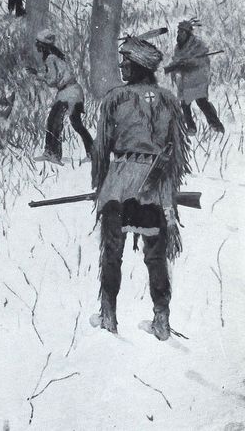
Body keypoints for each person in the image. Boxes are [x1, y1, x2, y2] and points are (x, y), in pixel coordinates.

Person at [91, 36, 190, 341]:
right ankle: (161, 319)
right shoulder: (169, 101)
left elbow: (100, 151)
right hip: (155, 189)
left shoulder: (114, 100)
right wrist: (165, 191)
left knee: (112, 253)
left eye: (126, 62)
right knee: (156, 256)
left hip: (119, 185)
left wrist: (102, 187)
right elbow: (176, 154)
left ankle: (109, 316)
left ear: (138, 67)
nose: (122, 66)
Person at [29, 29, 93, 165]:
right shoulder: (57, 56)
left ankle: (53, 154)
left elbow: (52, 80)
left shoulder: (50, 58)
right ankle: (92, 153)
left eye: (38, 44)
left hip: (68, 93)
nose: (36, 46)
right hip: (73, 91)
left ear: (43, 45)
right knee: (76, 124)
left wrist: (37, 75)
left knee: (54, 122)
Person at [165, 18, 224, 134]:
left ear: (187, 33)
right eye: (178, 32)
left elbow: (203, 62)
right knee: (185, 104)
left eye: (181, 32)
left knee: (201, 102)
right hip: (185, 81)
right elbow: (177, 60)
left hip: (198, 80)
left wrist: (190, 63)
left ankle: (216, 125)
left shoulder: (197, 45)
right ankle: (191, 127)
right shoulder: (178, 47)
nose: (179, 34)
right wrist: (172, 67)